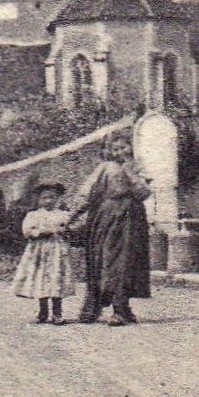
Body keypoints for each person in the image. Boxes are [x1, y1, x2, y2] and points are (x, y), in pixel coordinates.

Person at [69, 135, 152, 326]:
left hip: (131, 220)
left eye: (124, 147)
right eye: (115, 149)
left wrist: (130, 173)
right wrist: (71, 216)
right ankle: (92, 307)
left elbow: (144, 193)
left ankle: (121, 309)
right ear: (109, 152)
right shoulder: (104, 168)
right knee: (101, 260)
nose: (120, 152)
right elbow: (86, 193)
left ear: (130, 147)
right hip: (105, 218)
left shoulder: (137, 167)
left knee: (124, 262)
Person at [10, 182, 75, 325]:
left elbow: (71, 230)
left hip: (57, 252)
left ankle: (57, 313)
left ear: (57, 199)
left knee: (56, 279)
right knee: (42, 279)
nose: (48, 201)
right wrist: (41, 232)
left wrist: (66, 231)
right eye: (44, 198)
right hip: (40, 252)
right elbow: (27, 231)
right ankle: (43, 311)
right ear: (39, 199)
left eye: (52, 197)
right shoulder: (34, 215)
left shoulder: (63, 215)